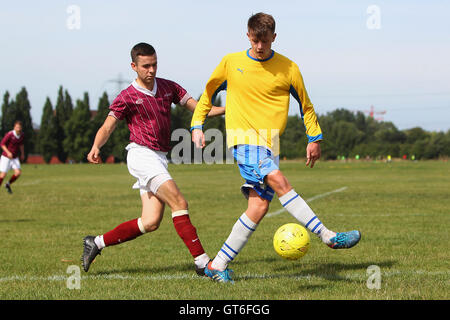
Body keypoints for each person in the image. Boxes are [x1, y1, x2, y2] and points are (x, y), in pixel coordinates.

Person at [191, 13, 361, 283]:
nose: (260, 46)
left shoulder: (288, 68)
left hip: (271, 145)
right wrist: (197, 126)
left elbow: (306, 105)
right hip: (244, 140)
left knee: (258, 207)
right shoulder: (231, 62)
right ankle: (328, 236)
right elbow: (207, 95)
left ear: (274, 37)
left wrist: (314, 138)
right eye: (256, 40)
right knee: (281, 182)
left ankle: (217, 264)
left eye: (265, 41)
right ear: (248, 35)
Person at [81, 42, 225, 275]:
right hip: (141, 155)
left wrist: (230, 108)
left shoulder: (169, 87)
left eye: (154, 64)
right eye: (146, 66)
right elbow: (108, 126)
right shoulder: (127, 96)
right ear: (134, 66)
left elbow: (200, 109)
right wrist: (96, 146)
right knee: (179, 202)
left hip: (159, 158)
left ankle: (95, 243)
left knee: (150, 222)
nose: (151, 70)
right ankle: (202, 263)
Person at [0, 121, 25, 194]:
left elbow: (21, 145)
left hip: (15, 157)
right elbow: (2, 144)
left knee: (18, 173)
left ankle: (8, 184)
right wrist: (8, 152)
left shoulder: (22, 135)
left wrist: (22, 154)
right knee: (3, 174)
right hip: (6, 157)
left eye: (19, 127)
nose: (18, 129)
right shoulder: (10, 134)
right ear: (14, 127)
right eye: (17, 127)